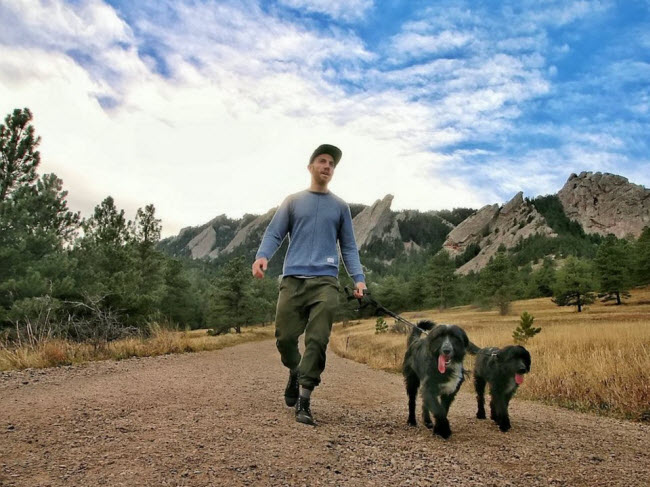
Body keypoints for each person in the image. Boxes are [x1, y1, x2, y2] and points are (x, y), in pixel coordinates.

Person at [252, 144, 366, 426]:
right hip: (293, 280)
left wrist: (359, 279)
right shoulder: (293, 201)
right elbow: (274, 233)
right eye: (322, 161)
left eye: (332, 164)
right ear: (311, 167)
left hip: (326, 282)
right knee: (285, 338)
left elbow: (349, 248)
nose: (327, 166)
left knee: (317, 339)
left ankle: (305, 398)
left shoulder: (340, 207)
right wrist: (262, 256)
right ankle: (295, 369)